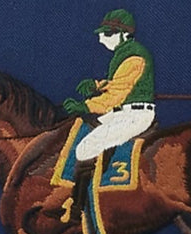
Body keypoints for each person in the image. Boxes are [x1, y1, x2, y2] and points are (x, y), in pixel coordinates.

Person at [61, 9, 156, 160]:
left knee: (84, 150)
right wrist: (97, 86)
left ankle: (93, 177)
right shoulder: (124, 52)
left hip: (134, 116)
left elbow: (115, 97)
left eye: (108, 34)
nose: (101, 39)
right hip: (123, 113)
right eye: (101, 34)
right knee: (84, 129)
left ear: (125, 34)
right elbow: (118, 83)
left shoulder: (133, 57)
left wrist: (85, 106)